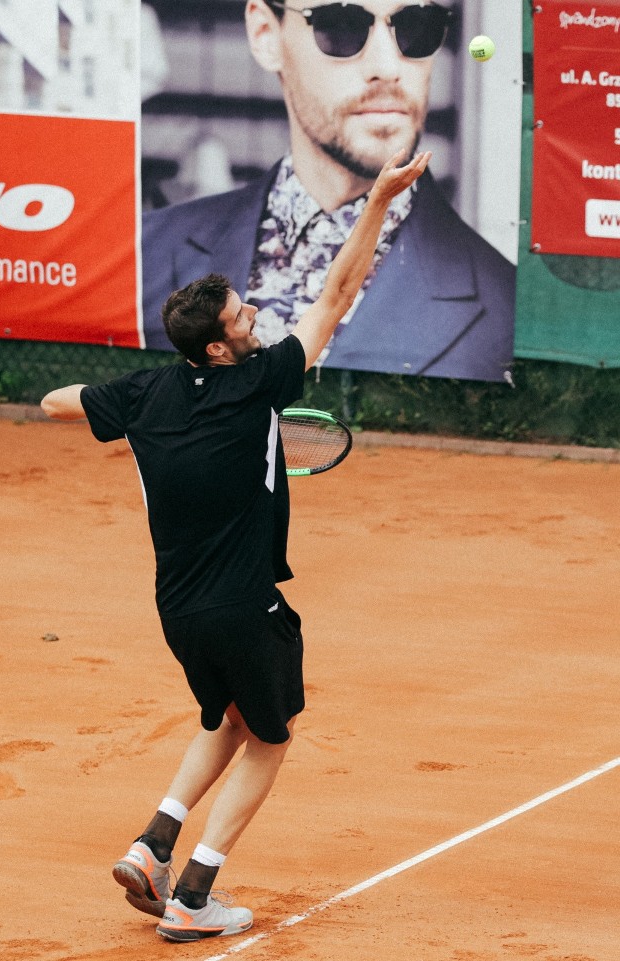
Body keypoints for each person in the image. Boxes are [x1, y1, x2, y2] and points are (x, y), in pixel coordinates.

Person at [40, 149, 431, 944]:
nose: (255, 318)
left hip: (178, 610)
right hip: (245, 606)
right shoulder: (260, 380)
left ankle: (153, 846)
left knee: (224, 719)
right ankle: (193, 893)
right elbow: (337, 291)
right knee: (271, 737)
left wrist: (135, 425)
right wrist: (379, 200)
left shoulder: (145, 393)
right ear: (217, 349)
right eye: (243, 317)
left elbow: (54, 402)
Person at [141, 0, 515, 382]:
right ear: (265, 34)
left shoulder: (506, 305)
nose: (387, 68)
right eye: (342, 25)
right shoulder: (145, 254)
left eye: (417, 25)